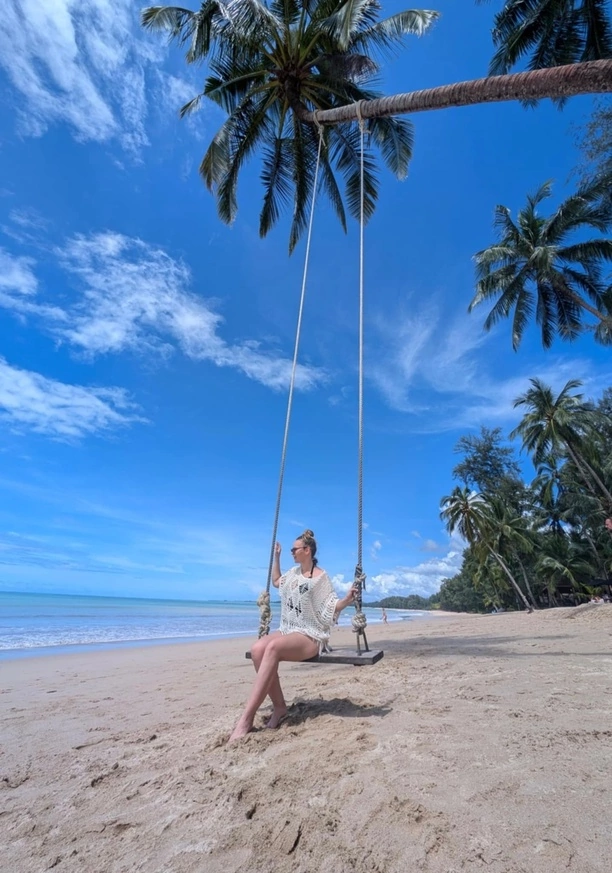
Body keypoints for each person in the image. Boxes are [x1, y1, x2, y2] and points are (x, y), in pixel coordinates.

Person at [228, 529, 357, 743]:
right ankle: (279, 708)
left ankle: (246, 719)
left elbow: (331, 605)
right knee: (257, 649)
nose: (291, 553)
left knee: (272, 649)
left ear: (307, 550)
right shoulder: (293, 574)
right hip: (289, 629)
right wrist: (276, 557)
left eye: (293, 550)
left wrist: (346, 600)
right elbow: (277, 581)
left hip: (310, 634)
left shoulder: (321, 577)